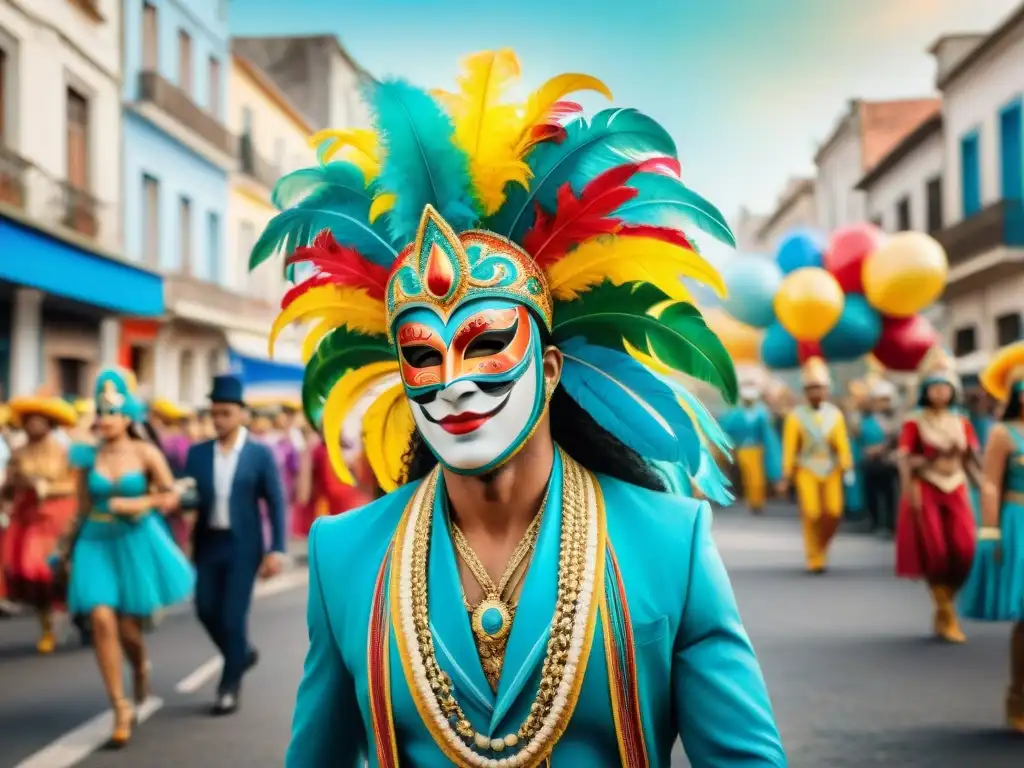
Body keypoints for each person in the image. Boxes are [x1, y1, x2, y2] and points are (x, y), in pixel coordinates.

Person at [264, 49, 785, 766]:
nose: (452, 382)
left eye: (485, 344)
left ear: (547, 368)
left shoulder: (671, 545)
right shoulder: (346, 555)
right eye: (422, 355)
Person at [60, 368, 194, 747]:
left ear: (129, 416)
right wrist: (64, 548)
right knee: (101, 618)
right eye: (100, 412)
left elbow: (175, 496)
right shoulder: (87, 456)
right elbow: (81, 505)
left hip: (135, 541)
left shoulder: (146, 451)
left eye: (113, 412)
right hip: (95, 540)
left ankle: (139, 666)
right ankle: (119, 705)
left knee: (129, 630)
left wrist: (142, 502)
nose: (105, 419)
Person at [185, 375, 287, 716]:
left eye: (225, 413)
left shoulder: (259, 454)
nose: (218, 420)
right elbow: (190, 498)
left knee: (232, 615)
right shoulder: (197, 454)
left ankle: (229, 685)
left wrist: (276, 549)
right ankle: (240, 653)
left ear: (242, 414)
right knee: (204, 608)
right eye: (214, 413)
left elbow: (275, 501)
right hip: (208, 542)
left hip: (244, 546)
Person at [894, 347, 980, 643]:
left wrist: (988, 486)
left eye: (945, 386)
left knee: (966, 550)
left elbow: (971, 460)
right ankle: (946, 612)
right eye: (935, 387)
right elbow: (905, 459)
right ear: (926, 390)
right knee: (937, 553)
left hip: (956, 487)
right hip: (926, 488)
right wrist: (926, 464)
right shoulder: (914, 421)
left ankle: (945, 606)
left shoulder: (963, 420)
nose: (941, 392)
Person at [959, 342, 1024, 731]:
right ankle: (1018, 698)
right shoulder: (1003, 433)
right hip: (1018, 522)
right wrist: (989, 531)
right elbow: (988, 486)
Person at [0, 392, 78, 653]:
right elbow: (8, 488)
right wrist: (16, 485)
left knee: (58, 572)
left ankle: (71, 615)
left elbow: (75, 485)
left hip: (58, 518)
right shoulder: (18, 452)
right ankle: (48, 627)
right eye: (29, 420)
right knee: (32, 572)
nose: (33, 425)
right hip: (27, 519)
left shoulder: (64, 452)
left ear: (49, 423)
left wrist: (49, 488)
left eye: (38, 420)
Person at [779, 357, 854, 574]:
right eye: (811, 388)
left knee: (833, 512)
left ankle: (822, 546)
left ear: (827, 390)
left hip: (832, 469)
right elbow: (790, 447)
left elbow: (842, 444)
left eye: (820, 388)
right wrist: (787, 474)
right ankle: (815, 557)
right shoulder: (796, 416)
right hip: (806, 469)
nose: (816, 393)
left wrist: (847, 466)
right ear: (805, 391)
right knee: (811, 513)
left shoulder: (835, 415)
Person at [721, 378, 782, 514]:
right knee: (749, 476)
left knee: (758, 477)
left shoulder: (761, 413)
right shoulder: (736, 413)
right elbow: (726, 429)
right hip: (743, 449)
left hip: (758, 449)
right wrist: (729, 446)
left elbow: (768, 434)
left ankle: (758, 501)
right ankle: (752, 502)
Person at [859, 377, 901, 535]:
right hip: (870, 464)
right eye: (879, 400)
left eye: (886, 399)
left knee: (891, 494)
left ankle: (891, 524)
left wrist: (882, 448)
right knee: (872, 494)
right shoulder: (866, 420)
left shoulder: (897, 419)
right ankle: (875, 521)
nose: (883, 403)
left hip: (889, 463)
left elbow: (898, 440)